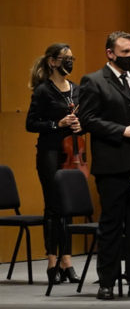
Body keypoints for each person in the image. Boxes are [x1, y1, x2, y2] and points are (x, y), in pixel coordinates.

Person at [77, 31, 130, 300]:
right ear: (110, 53)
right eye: (125, 52)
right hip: (112, 164)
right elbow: (88, 119)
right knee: (112, 225)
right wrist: (122, 130)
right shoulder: (93, 81)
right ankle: (107, 281)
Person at [25, 42, 84, 285]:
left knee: (67, 208)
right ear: (52, 61)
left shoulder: (77, 90)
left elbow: (85, 118)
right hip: (49, 151)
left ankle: (67, 261)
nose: (69, 62)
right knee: (53, 206)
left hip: (73, 152)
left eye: (72, 58)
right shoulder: (43, 91)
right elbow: (30, 124)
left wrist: (81, 125)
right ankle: (52, 261)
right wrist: (56, 125)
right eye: (65, 58)